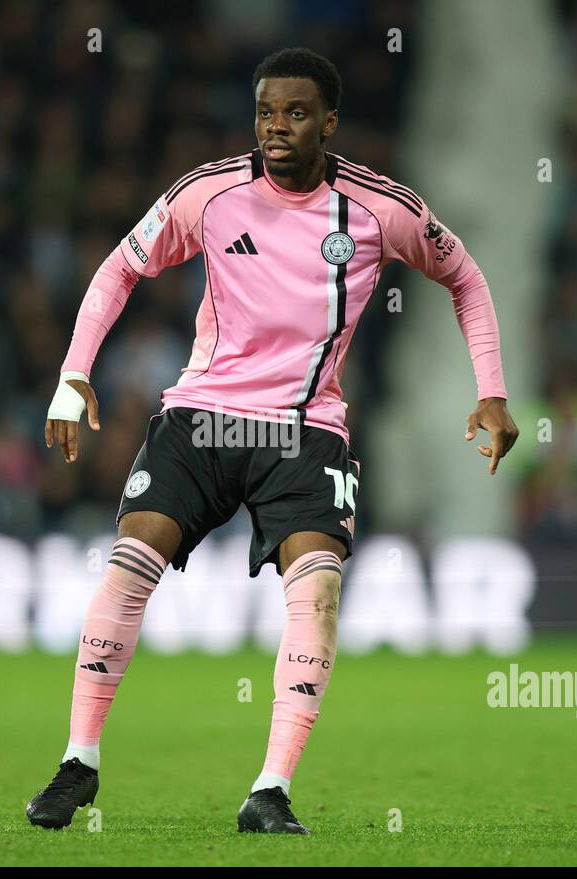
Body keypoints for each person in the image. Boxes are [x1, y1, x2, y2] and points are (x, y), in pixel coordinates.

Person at [28, 47, 517, 834]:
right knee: (131, 558)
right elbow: (120, 267)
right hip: (203, 416)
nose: (276, 127)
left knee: (317, 589)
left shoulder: (379, 209)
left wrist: (491, 389)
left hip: (305, 428)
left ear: (329, 122)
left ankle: (270, 790)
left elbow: (466, 278)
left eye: (295, 113)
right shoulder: (209, 193)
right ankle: (78, 761)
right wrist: (75, 372)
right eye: (265, 112)